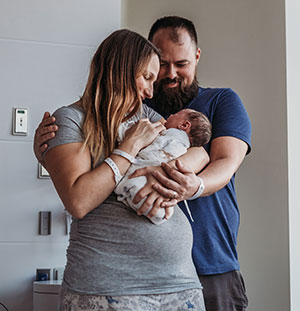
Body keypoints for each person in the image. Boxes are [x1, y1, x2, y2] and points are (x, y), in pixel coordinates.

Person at [34, 16, 252, 311]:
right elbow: (79, 199)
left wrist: (168, 175)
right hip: (109, 283)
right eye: (152, 73)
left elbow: (207, 155)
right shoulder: (76, 119)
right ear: (123, 70)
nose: (156, 85)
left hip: (190, 278)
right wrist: (128, 148)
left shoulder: (160, 113)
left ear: (196, 57)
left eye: (181, 64)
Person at [115, 108, 212, 224]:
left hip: (146, 180)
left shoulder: (169, 133)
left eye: (175, 113)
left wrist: (166, 173)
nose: (169, 115)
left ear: (184, 125)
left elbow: (203, 155)